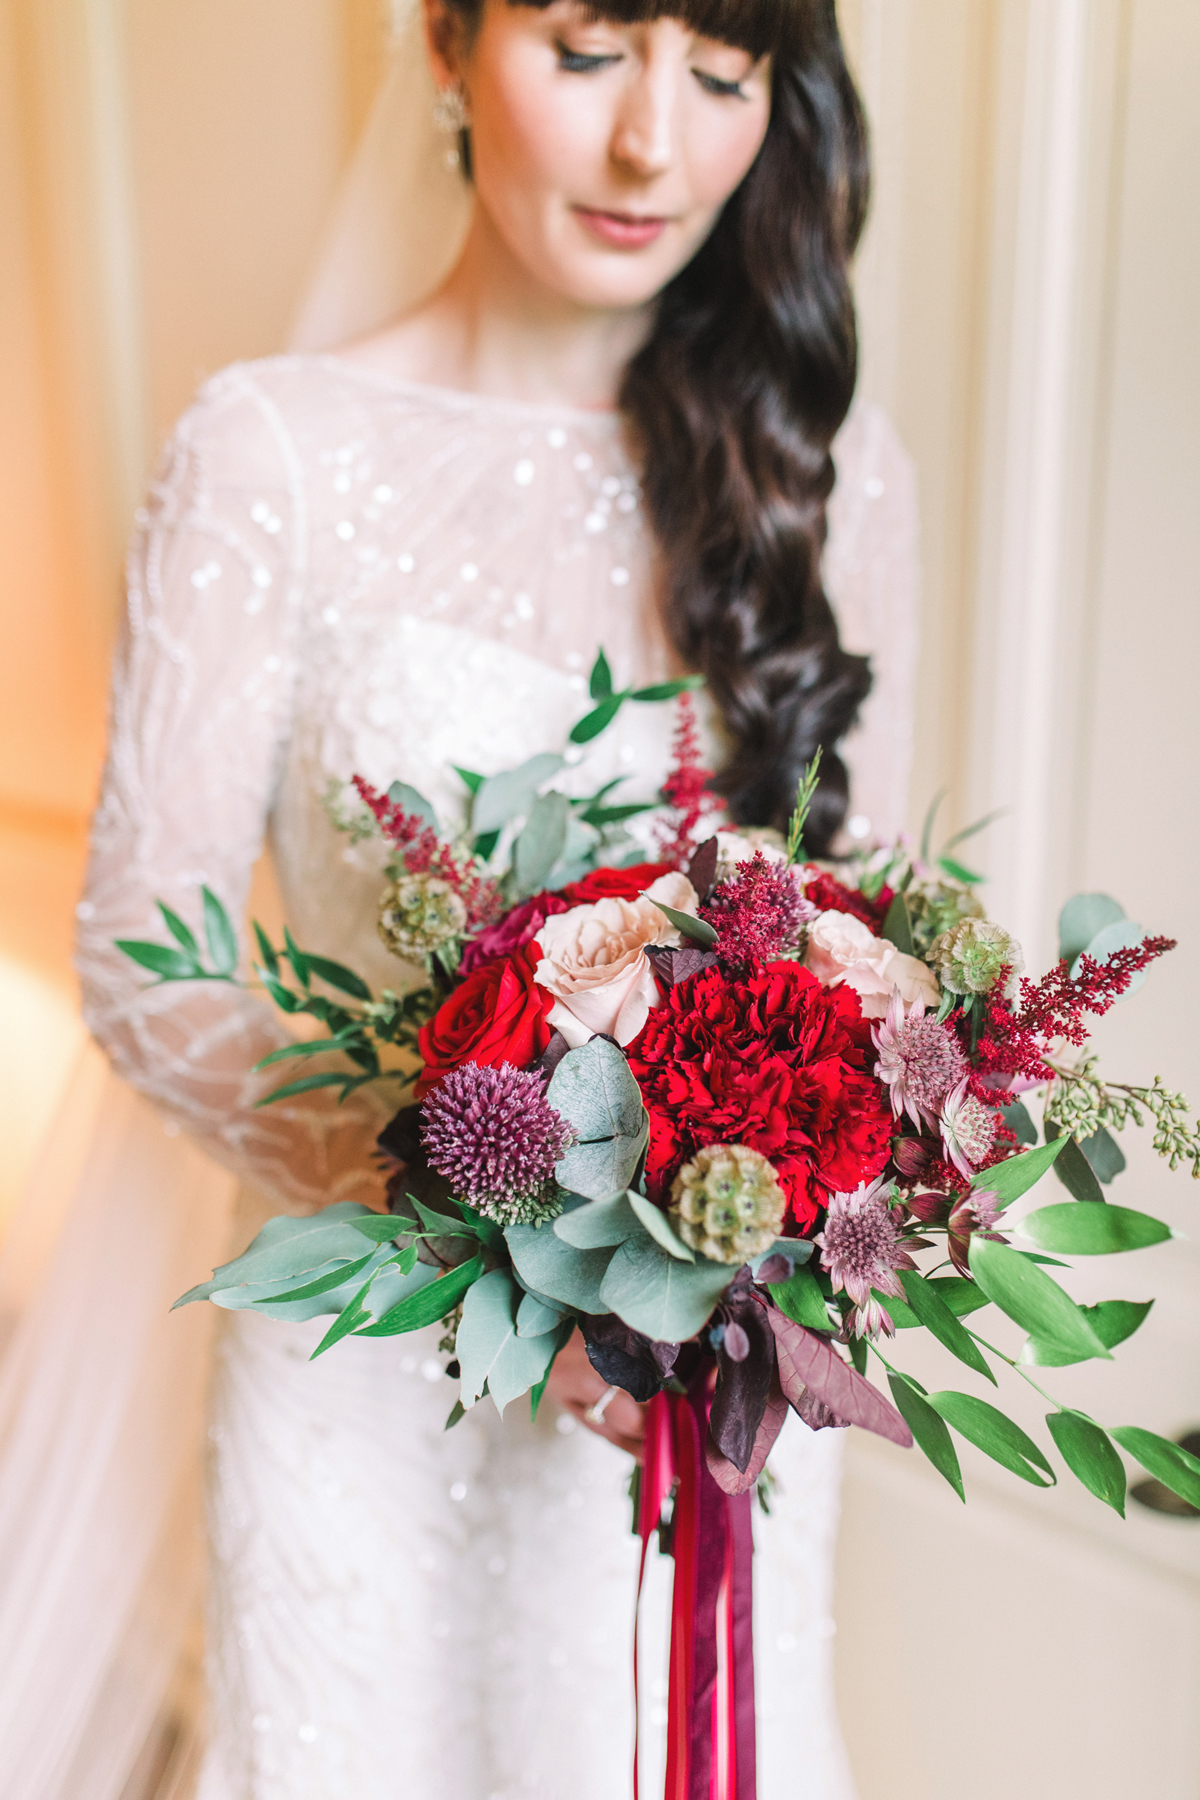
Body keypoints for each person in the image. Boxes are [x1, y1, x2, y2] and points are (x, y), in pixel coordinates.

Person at [1, 2, 917, 1795]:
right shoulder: (272, 454)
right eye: (589, 55)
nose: (656, 144)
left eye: (722, 78)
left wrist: (737, 1237)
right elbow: (138, 950)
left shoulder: (824, 469)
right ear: (447, 38)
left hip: (700, 1414)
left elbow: (866, 945)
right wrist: (492, 1227)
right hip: (366, 1390)